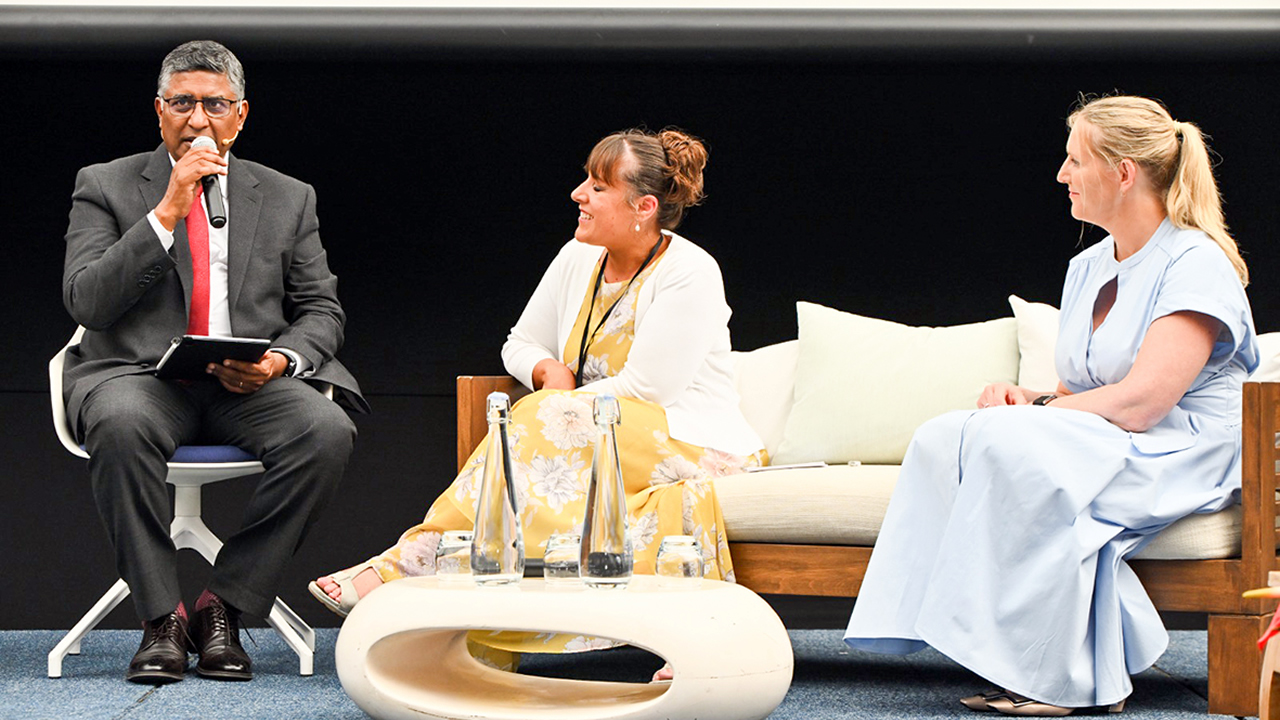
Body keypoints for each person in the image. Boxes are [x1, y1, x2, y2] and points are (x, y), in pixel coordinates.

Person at [843, 95, 1257, 715]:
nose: (1062, 175)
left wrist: (1031, 418)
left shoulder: (1196, 262)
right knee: (943, 434)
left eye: (1074, 161)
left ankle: (1058, 678)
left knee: (1008, 441)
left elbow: (1145, 401)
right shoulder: (1088, 265)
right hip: (1113, 435)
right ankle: (946, 632)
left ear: (1123, 172)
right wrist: (1033, 399)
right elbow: (1086, 386)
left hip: (1182, 445)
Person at [311, 127, 764, 664]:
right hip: (595, 435)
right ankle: (466, 599)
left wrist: (557, 406)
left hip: (690, 442)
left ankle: (410, 562)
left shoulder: (690, 271)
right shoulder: (579, 255)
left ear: (643, 206)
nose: (578, 194)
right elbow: (519, 343)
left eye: (597, 187)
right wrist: (549, 371)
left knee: (533, 418)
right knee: (535, 417)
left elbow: (649, 390)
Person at [62, 40, 366, 684]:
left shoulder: (288, 196)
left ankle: (222, 607)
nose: (198, 119)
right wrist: (167, 209)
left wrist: (280, 361)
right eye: (182, 103)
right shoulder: (105, 185)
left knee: (326, 431)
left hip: (246, 386)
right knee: (118, 422)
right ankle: (159, 621)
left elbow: (321, 310)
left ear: (241, 115)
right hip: (142, 379)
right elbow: (86, 298)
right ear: (159, 110)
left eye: (215, 104)